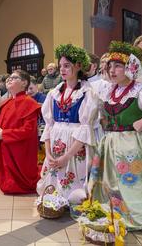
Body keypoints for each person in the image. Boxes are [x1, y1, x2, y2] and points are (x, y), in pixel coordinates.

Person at [89, 41, 142, 230]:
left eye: (118, 66)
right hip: (110, 144)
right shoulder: (108, 90)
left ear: (130, 67)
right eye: (110, 66)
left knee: (131, 185)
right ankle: (113, 211)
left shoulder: (141, 91)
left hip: (132, 145)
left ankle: (134, 216)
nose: (112, 70)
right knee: (109, 184)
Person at [37, 44, 99, 202]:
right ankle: (56, 199)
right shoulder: (54, 93)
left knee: (75, 191)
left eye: (67, 66)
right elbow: (49, 126)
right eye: (60, 66)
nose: (62, 70)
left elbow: (86, 128)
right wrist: (49, 153)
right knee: (51, 184)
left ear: (78, 66)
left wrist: (67, 156)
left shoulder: (87, 92)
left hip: (74, 144)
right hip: (57, 141)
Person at [0, 70, 40, 193]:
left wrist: (4, 134)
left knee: (22, 178)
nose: (9, 79)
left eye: (14, 77)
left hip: (20, 149)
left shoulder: (29, 102)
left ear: (24, 83)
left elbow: (28, 130)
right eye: (9, 78)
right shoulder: (6, 102)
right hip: (6, 146)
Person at [27, 78, 46, 164]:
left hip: (42, 125)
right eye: (27, 89)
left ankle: (43, 157)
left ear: (36, 86)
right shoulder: (26, 99)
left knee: (41, 143)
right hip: (31, 125)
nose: (29, 91)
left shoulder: (43, 97)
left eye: (31, 88)